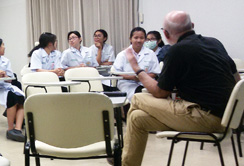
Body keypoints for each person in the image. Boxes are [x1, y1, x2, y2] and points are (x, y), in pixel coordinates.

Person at [121, 11, 240, 166]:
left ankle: (120, 151)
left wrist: (136, 68)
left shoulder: (177, 51)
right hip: (228, 117)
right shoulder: (214, 43)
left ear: (165, 34)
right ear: (192, 26)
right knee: (137, 118)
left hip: (205, 117)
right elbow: (236, 78)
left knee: (137, 98)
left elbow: (160, 92)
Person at [113, 27, 161, 102]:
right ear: (130, 39)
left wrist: (141, 77)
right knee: (139, 95)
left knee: (154, 96)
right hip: (127, 83)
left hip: (147, 82)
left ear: (145, 39)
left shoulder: (151, 53)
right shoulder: (122, 54)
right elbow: (117, 73)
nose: (138, 40)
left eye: (141, 38)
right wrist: (132, 77)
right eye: (136, 38)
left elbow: (155, 73)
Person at [0, 38, 25, 142]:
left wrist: (5, 75)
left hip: (4, 87)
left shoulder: (6, 61)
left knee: (20, 97)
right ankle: (10, 129)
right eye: (2, 45)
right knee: (11, 97)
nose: (4, 47)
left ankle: (17, 129)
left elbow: (11, 78)